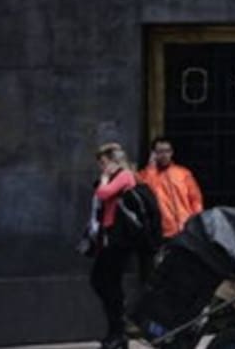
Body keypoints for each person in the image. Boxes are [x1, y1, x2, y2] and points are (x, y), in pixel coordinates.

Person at [88, 142, 137, 349]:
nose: (102, 167)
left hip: (119, 240)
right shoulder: (113, 177)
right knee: (102, 281)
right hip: (107, 237)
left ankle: (119, 331)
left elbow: (103, 194)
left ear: (114, 160)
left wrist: (106, 179)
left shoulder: (125, 175)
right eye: (100, 163)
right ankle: (115, 329)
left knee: (107, 282)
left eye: (104, 162)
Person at [137, 135, 204, 240]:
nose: (164, 155)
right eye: (160, 152)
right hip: (161, 231)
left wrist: (195, 222)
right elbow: (145, 192)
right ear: (154, 154)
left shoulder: (183, 173)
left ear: (172, 152)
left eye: (167, 151)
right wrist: (151, 167)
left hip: (185, 228)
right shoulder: (146, 175)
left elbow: (195, 199)